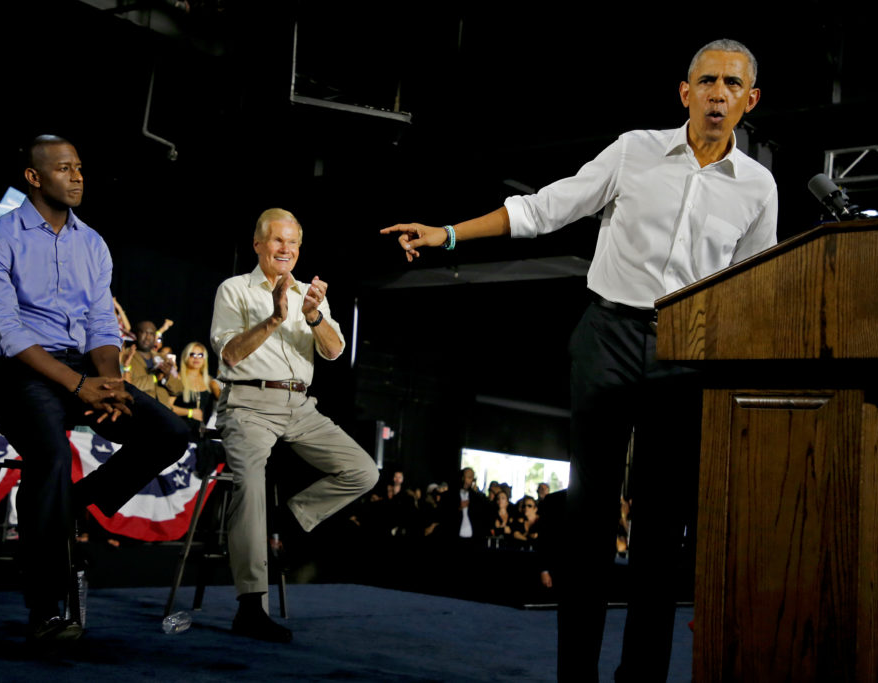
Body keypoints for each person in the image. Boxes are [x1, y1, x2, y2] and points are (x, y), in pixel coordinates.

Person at [381, 39, 776, 682]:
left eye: (732, 84)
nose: (717, 93)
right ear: (684, 92)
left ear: (749, 99)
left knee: (659, 529)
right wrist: (448, 234)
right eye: (706, 81)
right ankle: (576, 675)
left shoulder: (759, 187)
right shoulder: (634, 150)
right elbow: (544, 208)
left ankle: (640, 675)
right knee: (590, 518)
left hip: (687, 353)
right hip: (609, 335)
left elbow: (753, 287)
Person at [0, 135, 189, 643]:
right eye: (64, 168)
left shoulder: (92, 243)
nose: (77, 176)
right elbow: (6, 333)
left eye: (80, 168)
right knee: (48, 455)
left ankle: (68, 509)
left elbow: (100, 325)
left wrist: (108, 382)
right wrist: (80, 385)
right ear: (34, 177)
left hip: (81, 369)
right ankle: (47, 608)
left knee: (169, 433)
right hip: (12, 370)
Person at [210, 207, 378, 643]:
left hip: (301, 405)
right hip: (247, 403)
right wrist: (274, 319)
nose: (286, 249)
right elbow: (229, 355)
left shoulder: (309, 294)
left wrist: (314, 316)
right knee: (249, 486)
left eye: (293, 243)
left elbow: (335, 351)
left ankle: (285, 522)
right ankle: (251, 606)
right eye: (277, 241)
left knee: (364, 471)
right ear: (259, 245)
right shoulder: (235, 289)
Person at [169, 341, 221, 425]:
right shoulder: (178, 378)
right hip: (179, 428)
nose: (197, 358)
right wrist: (190, 412)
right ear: (186, 357)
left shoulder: (209, 381)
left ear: (205, 359)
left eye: (200, 355)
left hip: (201, 432)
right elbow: (167, 406)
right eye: (192, 354)